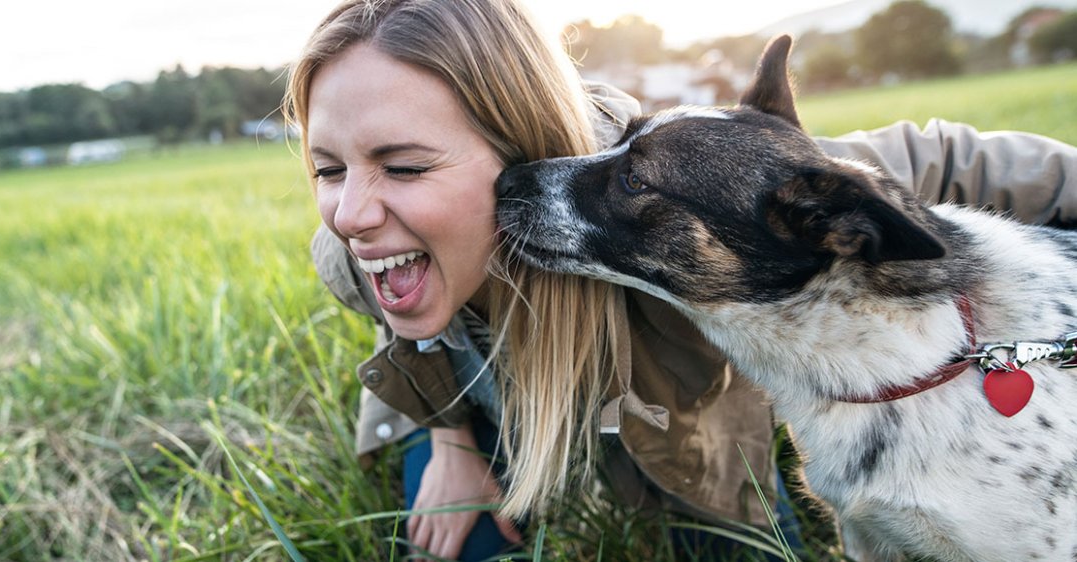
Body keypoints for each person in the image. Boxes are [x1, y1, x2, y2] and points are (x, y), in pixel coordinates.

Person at [284, 0, 1077, 559]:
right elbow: (409, 325)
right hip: (503, 405)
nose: (350, 214)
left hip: (673, 440)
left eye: (405, 164)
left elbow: (946, 157)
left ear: (514, 138)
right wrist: (448, 442)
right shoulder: (354, 252)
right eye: (326, 168)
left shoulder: (711, 182)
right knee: (443, 545)